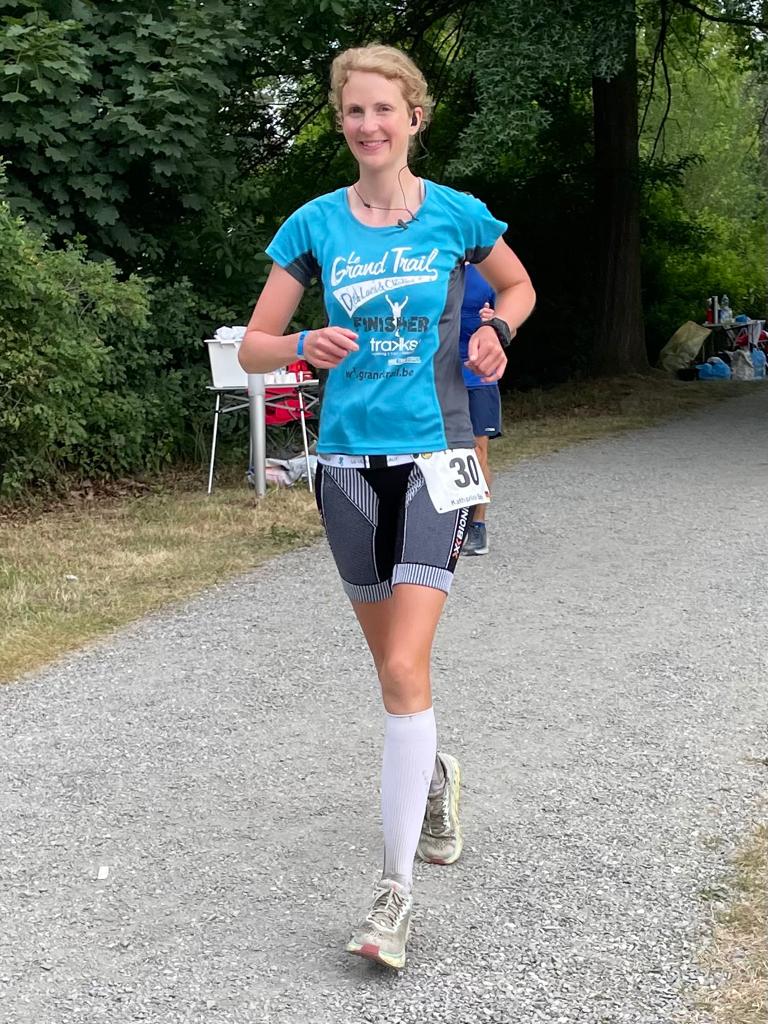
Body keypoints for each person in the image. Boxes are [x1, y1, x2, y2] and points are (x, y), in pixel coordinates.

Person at [238, 44, 535, 970]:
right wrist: (302, 344)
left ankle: (393, 894)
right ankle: (435, 773)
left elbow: (518, 284)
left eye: (384, 109)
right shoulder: (314, 224)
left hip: (439, 459)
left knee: (406, 666)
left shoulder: (457, 215)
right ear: (342, 122)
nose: (369, 124)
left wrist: (496, 328)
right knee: (393, 672)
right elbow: (252, 347)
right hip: (347, 469)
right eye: (354, 111)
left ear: (415, 116)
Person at [459, 263, 512, 555]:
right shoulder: (433, 265)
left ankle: (477, 526)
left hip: (478, 375)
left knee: (477, 452)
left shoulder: (489, 271)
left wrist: (495, 324)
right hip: (437, 376)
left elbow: (510, 325)